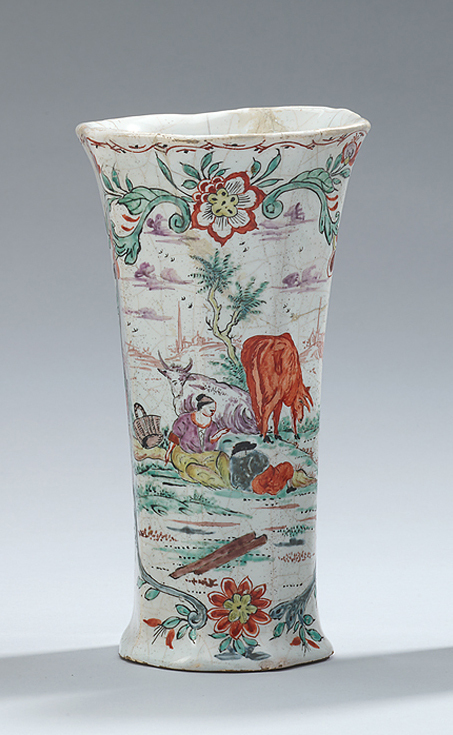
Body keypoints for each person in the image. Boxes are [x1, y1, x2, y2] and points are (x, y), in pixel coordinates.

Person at [165, 394, 231, 489]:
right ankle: (224, 487)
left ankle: (228, 483)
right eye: (210, 408)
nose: (213, 410)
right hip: (185, 454)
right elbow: (174, 436)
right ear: (202, 407)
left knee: (222, 456)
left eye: (214, 409)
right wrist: (168, 452)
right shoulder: (185, 419)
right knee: (193, 469)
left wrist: (218, 435)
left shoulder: (213, 425)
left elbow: (210, 445)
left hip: (202, 456)